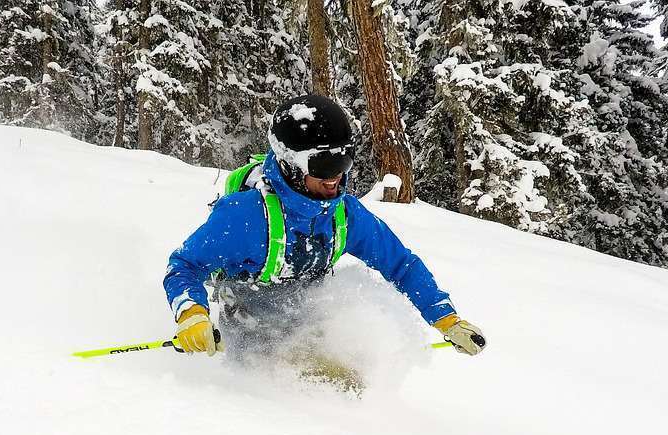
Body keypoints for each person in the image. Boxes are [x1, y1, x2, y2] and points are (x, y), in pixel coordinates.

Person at [163, 94, 486, 368]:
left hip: (311, 316)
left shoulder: (345, 215)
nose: (335, 177)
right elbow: (184, 266)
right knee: (301, 399)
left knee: (349, 382)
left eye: (343, 160)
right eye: (323, 165)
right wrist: (192, 313)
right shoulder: (244, 216)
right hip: (249, 326)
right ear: (291, 164)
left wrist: (446, 319)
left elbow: (401, 265)